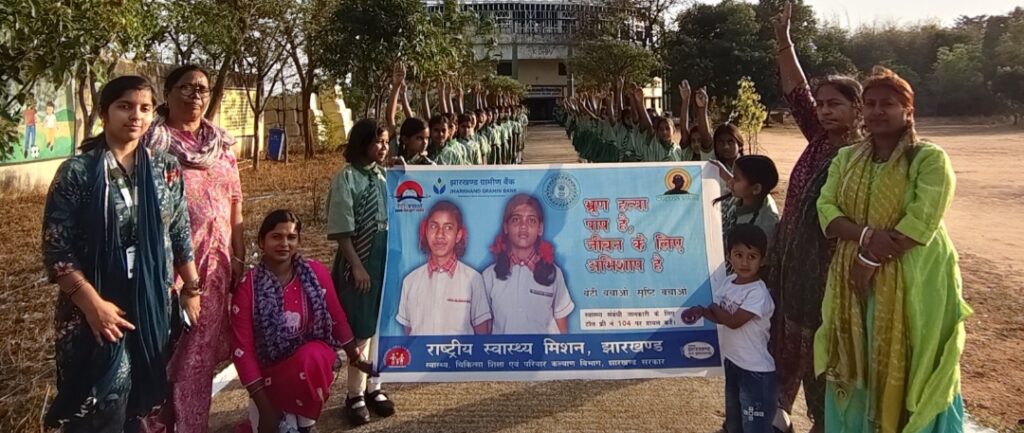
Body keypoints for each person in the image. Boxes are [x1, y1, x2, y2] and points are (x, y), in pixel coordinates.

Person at [815, 66, 971, 433]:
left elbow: (922, 219)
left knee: (915, 360)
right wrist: (867, 237)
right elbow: (826, 210)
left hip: (915, 279)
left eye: (887, 103)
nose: (877, 111)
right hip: (854, 279)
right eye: (869, 104)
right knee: (859, 355)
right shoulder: (846, 158)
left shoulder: (928, 158)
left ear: (908, 110)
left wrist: (869, 257)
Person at [41, 75, 200, 433]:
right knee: (99, 405)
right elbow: (57, 249)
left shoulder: (165, 168)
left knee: (138, 407)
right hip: (93, 310)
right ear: (104, 112)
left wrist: (192, 288)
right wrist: (93, 307)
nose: (136, 116)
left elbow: (179, 232)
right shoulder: (78, 173)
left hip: (151, 306)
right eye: (125, 106)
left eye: (145, 108)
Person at [766, 3, 865, 431]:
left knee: (825, 356)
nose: (824, 110)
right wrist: (783, 41)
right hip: (793, 269)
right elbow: (797, 91)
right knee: (788, 346)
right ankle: (782, 416)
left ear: (858, 109)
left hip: (830, 277)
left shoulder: (862, 156)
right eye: (822, 105)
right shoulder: (820, 139)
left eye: (835, 104)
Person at [143, 64, 246, 433]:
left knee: (197, 362)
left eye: (202, 89)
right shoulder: (151, 145)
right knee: (163, 355)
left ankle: (191, 426)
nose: (195, 95)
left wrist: (238, 254)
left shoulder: (221, 146)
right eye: (186, 87)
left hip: (215, 270)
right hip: (167, 272)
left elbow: (235, 203)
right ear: (167, 94)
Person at [231, 210, 375, 433]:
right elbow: (242, 351)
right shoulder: (247, 287)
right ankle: (280, 414)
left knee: (312, 357)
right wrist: (265, 408)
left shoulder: (315, 273)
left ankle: (306, 423)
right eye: (276, 237)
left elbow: (336, 318)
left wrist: (356, 357)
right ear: (261, 242)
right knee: (272, 426)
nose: (284, 244)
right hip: (268, 375)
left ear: (299, 241)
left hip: (307, 369)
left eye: (291, 237)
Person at [326, 118, 396, 425]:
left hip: (385, 260)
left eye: (386, 142)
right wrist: (356, 265)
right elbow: (343, 231)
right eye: (378, 141)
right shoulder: (347, 178)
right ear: (363, 142)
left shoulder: (383, 176)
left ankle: (375, 386)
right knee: (361, 329)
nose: (384, 147)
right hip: (360, 260)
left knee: (381, 326)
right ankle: (354, 394)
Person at [683, 224, 776, 433]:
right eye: (739, 255)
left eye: (752, 257)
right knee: (734, 423)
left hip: (756, 373)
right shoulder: (728, 282)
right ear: (729, 256)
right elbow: (720, 317)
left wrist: (712, 307)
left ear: (762, 260)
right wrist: (703, 312)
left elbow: (733, 321)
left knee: (755, 427)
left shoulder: (758, 293)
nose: (745, 262)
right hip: (733, 364)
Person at [397, 201, 492, 335]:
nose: (439, 235)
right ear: (426, 231)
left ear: (458, 235)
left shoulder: (473, 279)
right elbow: (408, 333)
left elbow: (482, 334)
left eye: (448, 228)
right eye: (434, 226)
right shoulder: (410, 281)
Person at [483, 194, 574, 334]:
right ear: (506, 227)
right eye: (516, 219)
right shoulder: (489, 275)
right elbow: (484, 329)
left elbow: (562, 328)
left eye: (531, 220)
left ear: (540, 229)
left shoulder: (554, 274)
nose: (523, 226)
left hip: (544, 348)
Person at [713, 155, 781, 254]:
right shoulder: (750, 195)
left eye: (736, 178)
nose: (730, 182)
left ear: (756, 188)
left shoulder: (763, 225)